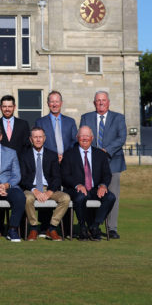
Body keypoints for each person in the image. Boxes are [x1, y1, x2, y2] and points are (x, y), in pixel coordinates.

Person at [79, 91, 125, 239]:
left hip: (113, 163)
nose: (101, 103)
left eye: (103, 100)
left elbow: (121, 137)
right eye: (98, 100)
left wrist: (106, 151)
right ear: (94, 103)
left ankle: (112, 228)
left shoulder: (118, 118)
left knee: (112, 196)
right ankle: (93, 225)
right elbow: (82, 138)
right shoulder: (86, 118)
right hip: (90, 165)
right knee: (91, 194)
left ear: (108, 102)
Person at [61, 126, 116, 241]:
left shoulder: (100, 154)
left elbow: (107, 174)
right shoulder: (69, 154)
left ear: (92, 137)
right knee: (81, 197)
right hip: (75, 189)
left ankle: (94, 226)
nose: (84, 138)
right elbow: (65, 175)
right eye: (82, 136)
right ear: (77, 137)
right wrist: (77, 185)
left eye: (87, 136)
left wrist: (103, 185)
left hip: (95, 188)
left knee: (110, 197)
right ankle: (82, 228)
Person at [19, 127, 70, 241]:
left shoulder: (52, 155)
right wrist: (34, 190)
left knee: (65, 198)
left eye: (40, 137)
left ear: (44, 138)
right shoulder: (24, 155)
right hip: (31, 189)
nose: (38, 140)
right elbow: (22, 178)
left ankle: (51, 228)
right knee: (27, 198)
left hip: (49, 188)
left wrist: (50, 191)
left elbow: (57, 177)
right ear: (31, 139)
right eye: (35, 137)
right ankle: (33, 228)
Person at [34, 91, 77, 162]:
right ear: (48, 103)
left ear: (61, 103)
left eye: (57, 101)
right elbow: (38, 143)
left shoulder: (70, 121)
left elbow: (74, 142)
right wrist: (53, 156)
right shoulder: (40, 122)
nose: (54, 105)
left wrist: (65, 155)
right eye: (52, 102)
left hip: (67, 160)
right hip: (48, 161)